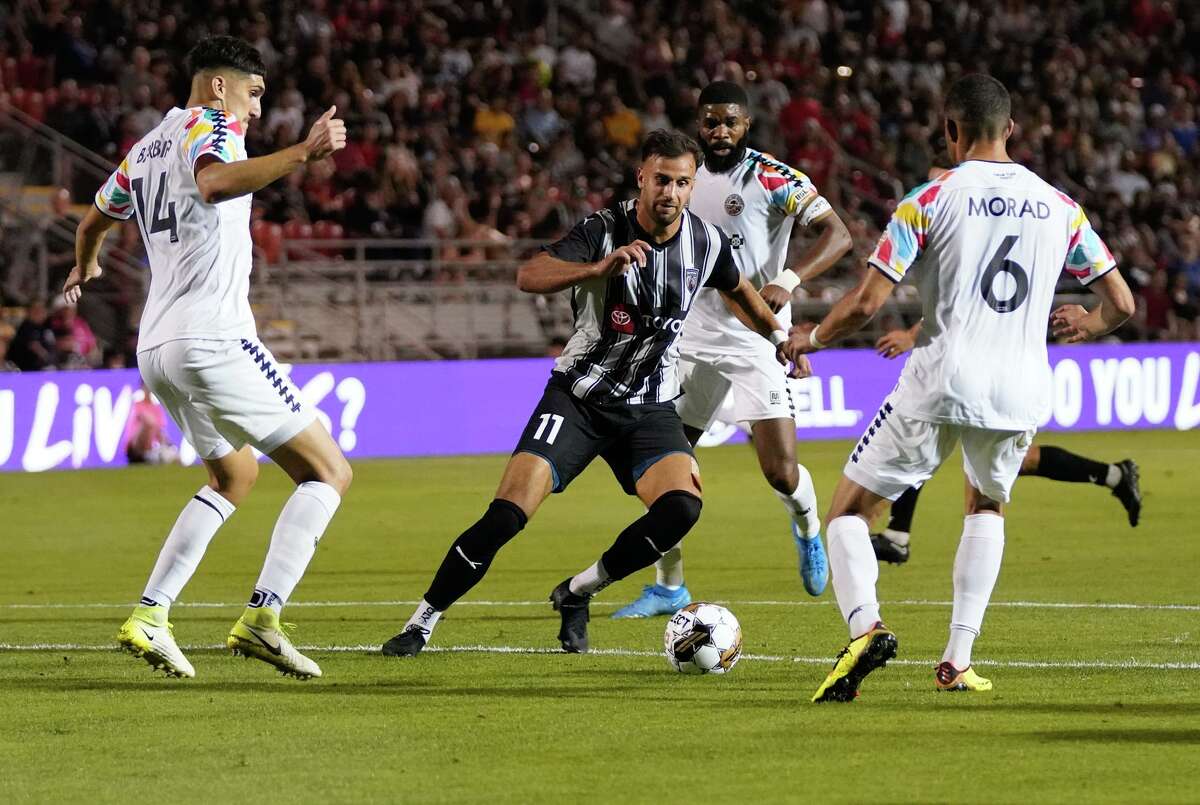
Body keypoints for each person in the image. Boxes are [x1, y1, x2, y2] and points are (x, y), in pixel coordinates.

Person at [381, 129, 809, 658]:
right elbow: (529, 274)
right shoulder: (602, 230)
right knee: (507, 515)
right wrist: (596, 269)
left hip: (648, 408)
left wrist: (778, 338)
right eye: (661, 180)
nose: (670, 193)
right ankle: (421, 622)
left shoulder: (706, 241)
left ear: (692, 186)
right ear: (641, 179)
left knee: (681, 508)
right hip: (578, 398)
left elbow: (740, 291)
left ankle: (578, 591)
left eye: (681, 182)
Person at [788, 74, 1135, 702]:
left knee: (847, 512)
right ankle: (957, 658)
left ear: (950, 131)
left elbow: (867, 302)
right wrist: (1089, 322)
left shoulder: (928, 199)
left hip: (941, 378)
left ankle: (866, 628)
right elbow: (1120, 302)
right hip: (1020, 386)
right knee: (986, 506)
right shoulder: (1061, 206)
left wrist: (810, 339)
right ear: (1011, 130)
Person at [66, 36, 352, 680]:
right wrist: (303, 152)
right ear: (220, 85)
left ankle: (151, 613)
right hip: (213, 337)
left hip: (156, 348)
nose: (254, 109)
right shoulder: (212, 124)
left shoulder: (142, 150)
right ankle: (263, 619)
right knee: (328, 472)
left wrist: (85, 269)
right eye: (253, 92)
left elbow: (91, 224)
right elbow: (216, 181)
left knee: (235, 477)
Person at [613, 81, 853, 619]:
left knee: (781, 472)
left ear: (747, 125)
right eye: (711, 121)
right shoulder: (684, 177)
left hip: (756, 335)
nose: (720, 131)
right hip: (689, 336)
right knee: (662, 467)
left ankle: (808, 528)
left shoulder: (774, 177)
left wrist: (788, 279)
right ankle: (669, 585)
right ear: (699, 124)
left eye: (731, 122)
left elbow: (838, 235)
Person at [870, 320, 1141, 563]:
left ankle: (897, 536)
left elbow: (953, 303)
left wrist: (912, 335)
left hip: (988, 373)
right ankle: (1116, 475)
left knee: (926, 434)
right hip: (1005, 374)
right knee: (1015, 462)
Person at [5, 300, 56, 371]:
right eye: (36, 311)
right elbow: (34, 348)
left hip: (46, 367)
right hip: (26, 370)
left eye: (42, 311)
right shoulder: (25, 329)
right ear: (28, 312)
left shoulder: (46, 328)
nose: (39, 314)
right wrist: (46, 357)